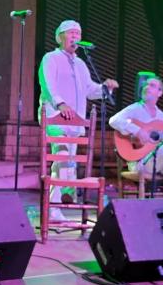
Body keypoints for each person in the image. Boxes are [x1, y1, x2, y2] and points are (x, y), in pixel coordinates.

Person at [38, 19, 118, 220]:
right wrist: (60, 104)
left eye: (78, 34)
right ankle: (54, 206)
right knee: (62, 157)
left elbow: (89, 90)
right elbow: (47, 85)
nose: (75, 37)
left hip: (75, 121)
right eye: (71, 33)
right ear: (60, 37)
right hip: (56, 117)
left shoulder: (81, 64)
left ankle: (58, 202)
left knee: (68, 162)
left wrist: (105, 88)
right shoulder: (51, 58)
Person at [110, 76, 163, 198]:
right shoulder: (135, 108)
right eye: (145, 85)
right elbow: (113, 120)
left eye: (151, 85)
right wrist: (138, 131)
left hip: (160, 163)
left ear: (160, 92)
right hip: (140, 162)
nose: (146, 87)